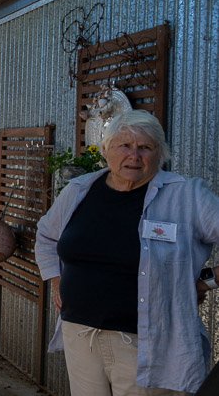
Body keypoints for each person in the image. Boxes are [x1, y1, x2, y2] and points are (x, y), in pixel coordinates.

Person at [36, 110, 219, 396]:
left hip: (149, 344)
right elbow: (46, 235)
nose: (134, 155)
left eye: (145, 147)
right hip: (80, 335)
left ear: (160, 154)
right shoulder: (80, 190)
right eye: (125, 145)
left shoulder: (187, 196)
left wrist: (204, 281)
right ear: (106, 150)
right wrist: (56, 280)